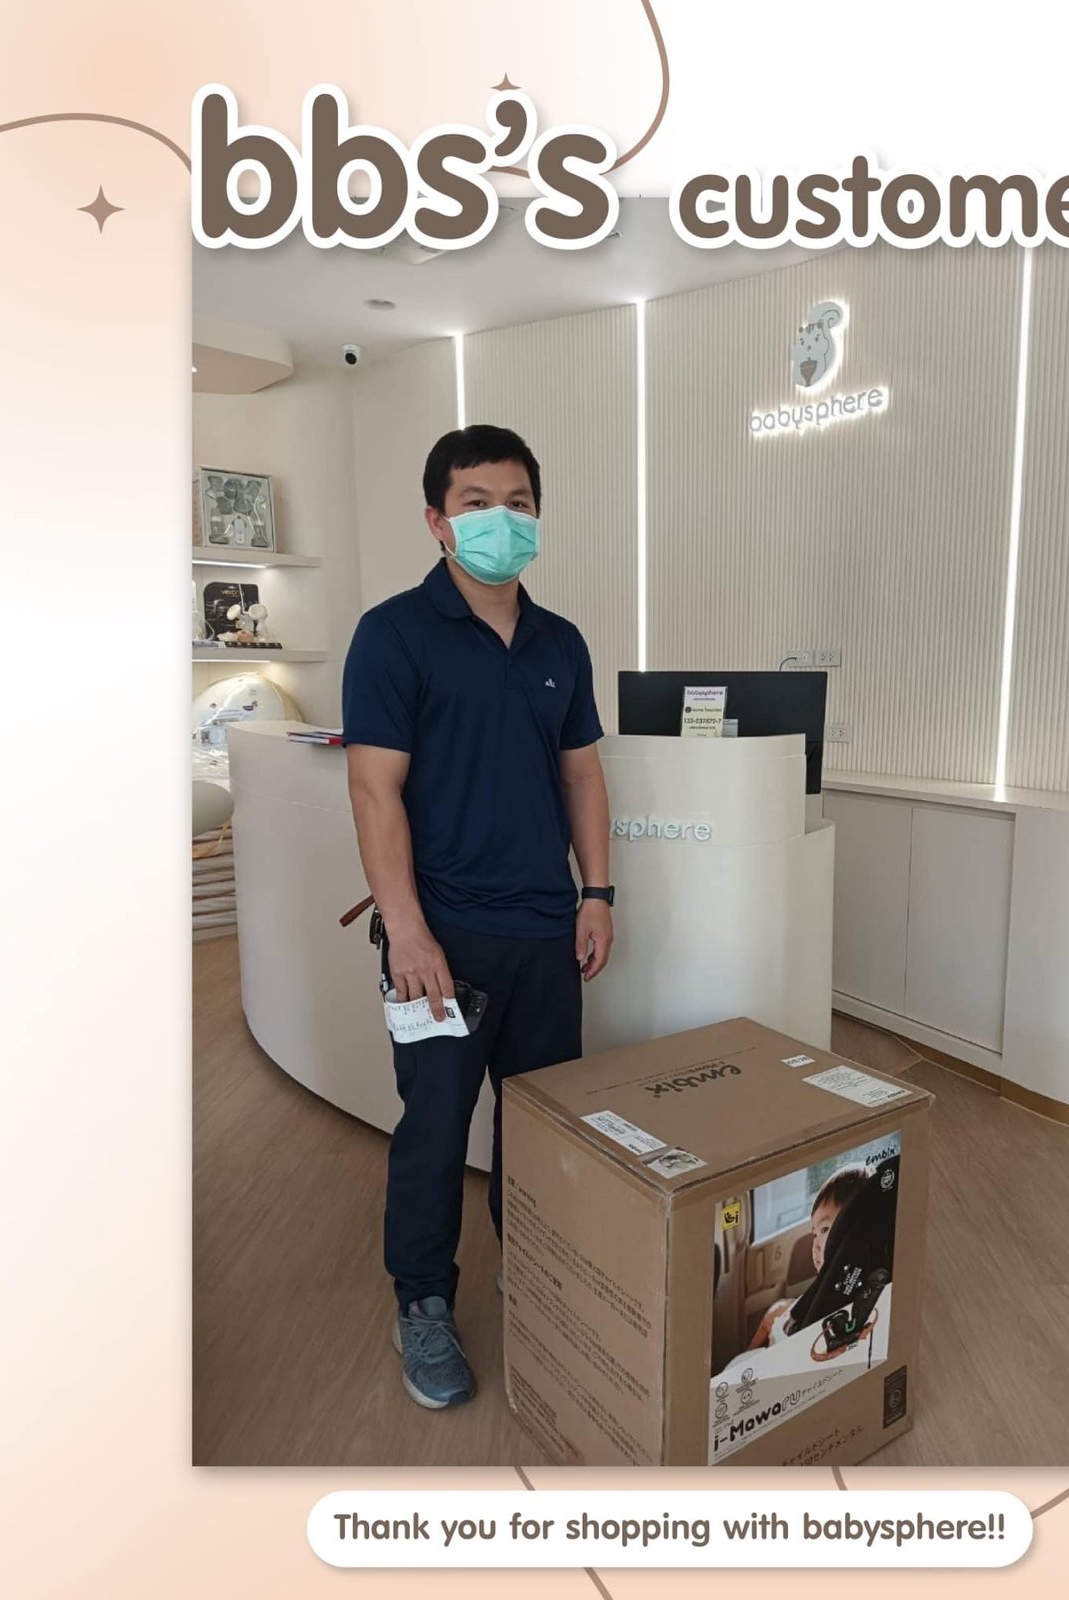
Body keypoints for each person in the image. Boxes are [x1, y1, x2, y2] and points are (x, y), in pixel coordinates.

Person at [341, 425, 615, 1411]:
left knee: (538, 1128)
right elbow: (374, 791)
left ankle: (535, 1272)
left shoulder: (560, 643)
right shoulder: (393, 634)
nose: (502, 519)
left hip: (545, 935)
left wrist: (596, 892)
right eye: (477, 503)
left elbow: (582, 775)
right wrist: (408, 931)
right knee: (434, 1128)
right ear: (437, 520)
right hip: (441, 942)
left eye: (519, 502)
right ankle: (422, 1300)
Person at [744, 1165, 871, 1351]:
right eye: (814, 1234)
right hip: (791, 1328)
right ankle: (749, 1356)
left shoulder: (850, 1289)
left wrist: (780, 1332)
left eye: (825, 1230)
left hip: (788, 1348)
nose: (816, 1245)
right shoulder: (832, 1280)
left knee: (775, 1315)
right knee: (775, 1310)